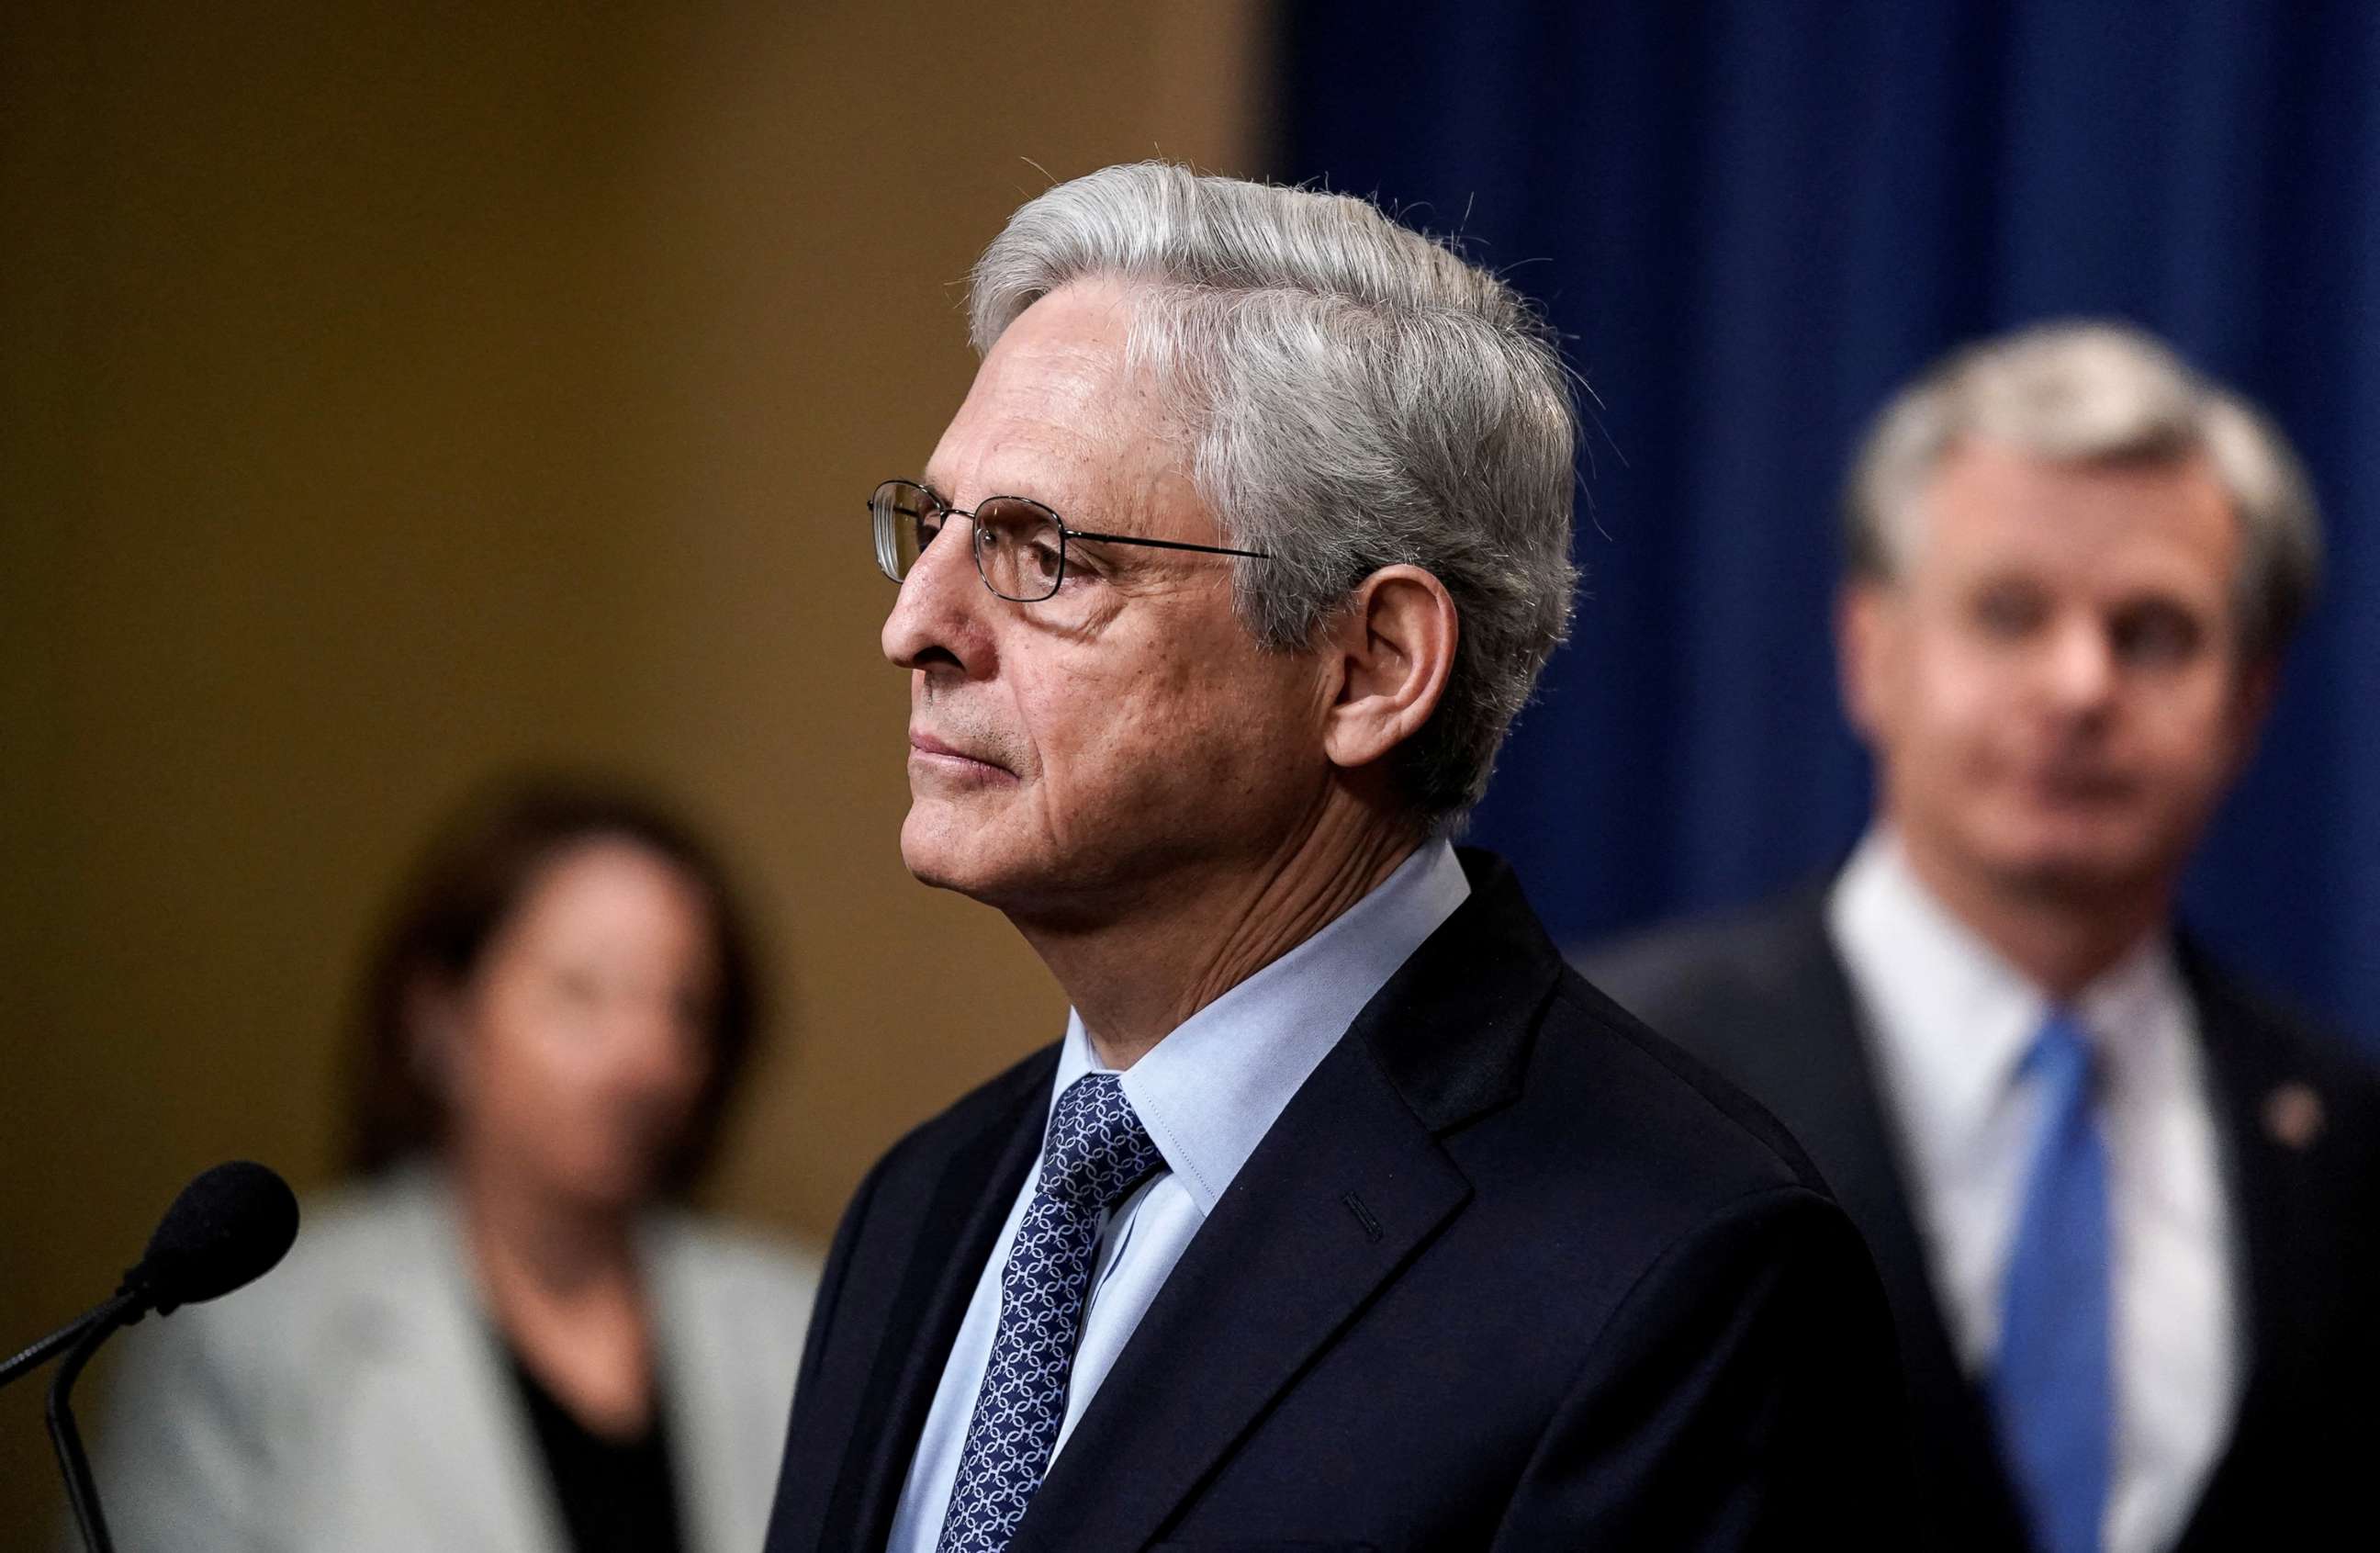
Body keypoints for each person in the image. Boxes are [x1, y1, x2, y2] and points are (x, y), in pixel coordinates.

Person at [762, 162, 1906, 1553]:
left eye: (1041, 554)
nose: (918, 625)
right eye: (934, 527)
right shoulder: (931, 1196)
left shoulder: (1679, 1266)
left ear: (1369, 664)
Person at [1581, 321, 2380, 1553]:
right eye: (2009, 613)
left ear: (2249, 700)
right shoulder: (1614, 1068)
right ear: (1872, 653)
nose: (2079, 686)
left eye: (2153, 632)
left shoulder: (2341, 1131)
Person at [89, 776, 823, 1553]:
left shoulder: (800, 1322)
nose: (646, 1056)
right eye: (582, 991)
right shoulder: (257, 1333)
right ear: (442, 1017)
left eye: (684, 1007)